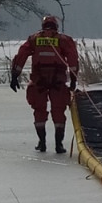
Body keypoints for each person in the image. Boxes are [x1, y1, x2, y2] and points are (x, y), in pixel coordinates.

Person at [10, 15, 79, 154]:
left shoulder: (34, 39)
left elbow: (21, 56)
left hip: (38, 80)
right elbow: (72, 60)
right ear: (56, 26)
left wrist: (14, 76)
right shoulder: (64, 40)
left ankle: (42, 143)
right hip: (58, 81)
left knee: (39, 110)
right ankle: (59, 145)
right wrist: (73, 79)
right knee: (58, 111)